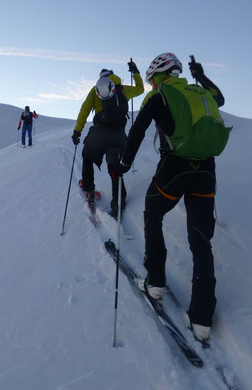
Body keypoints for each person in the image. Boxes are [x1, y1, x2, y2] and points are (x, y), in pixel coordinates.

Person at [116, 53, 230, 342]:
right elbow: (221, 99)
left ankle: (155, 283)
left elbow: (138, 128)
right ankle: (202, 319)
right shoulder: (201, 91)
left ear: (157, 76)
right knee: (201, 241)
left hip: (174, 169)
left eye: (152, 80)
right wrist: (200, 74)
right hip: (206, 170)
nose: (152, 85)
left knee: (152, 215)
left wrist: (124, 165)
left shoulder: (160, 95)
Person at [72, 63, 144, 216]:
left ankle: (89, 191)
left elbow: (84, 109)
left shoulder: (96, 89)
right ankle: (118, 203)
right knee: (114, 168)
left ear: (101, 78)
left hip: (99, 133)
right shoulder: (121, 88)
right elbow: (140, 89)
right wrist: (136, 73)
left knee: (88, 156)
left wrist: (77, 131)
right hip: (118, 136)